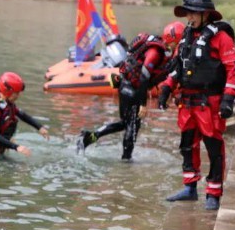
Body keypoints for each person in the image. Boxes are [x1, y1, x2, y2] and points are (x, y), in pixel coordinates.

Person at [158, 0, 235, 211]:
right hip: (187, 103)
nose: (189, 17)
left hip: (210, 103)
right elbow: (178, 67)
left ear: (205, 14)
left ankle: (213, 192)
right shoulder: (186, 36)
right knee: (187, 145)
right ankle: (190, 187)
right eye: (187, 13)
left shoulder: (221, 38)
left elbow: (233, 70)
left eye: (193, 13)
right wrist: (166, 88)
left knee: (214, 148)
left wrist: (228, 100)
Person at [77, 24, 181, 160]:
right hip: (129, 88)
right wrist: (143, 104)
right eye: (177, 42)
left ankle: (89, 137)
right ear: (171, 39)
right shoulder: (155, 52)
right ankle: (126, 160)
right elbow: (144, 76)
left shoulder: (168, 52)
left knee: (126, 123)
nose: (178, 45)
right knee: (132, 125)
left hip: (134, 88)